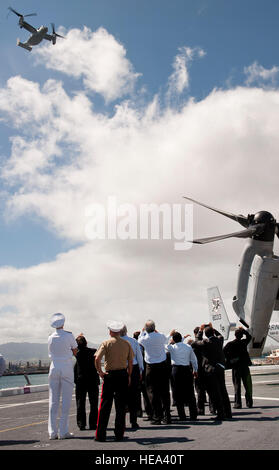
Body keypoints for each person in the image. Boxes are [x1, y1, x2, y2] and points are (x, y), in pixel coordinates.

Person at [94, 320, 134, 442]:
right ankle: (119, 434)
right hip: (122, 374)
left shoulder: (106, 343)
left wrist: (100, 372)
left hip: (110, 375)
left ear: (111, 331)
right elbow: (131, 362)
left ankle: (100, 435)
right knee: (120, 406)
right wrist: (129, 375)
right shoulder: (127, 344)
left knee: (105, 405)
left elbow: (97, 358)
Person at [48, 313, 78, 440]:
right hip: (66, 366)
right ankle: (63, 431)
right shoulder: (69, 335)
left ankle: (52, 432)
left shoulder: (50, 337)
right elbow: (75, 350)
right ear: (63, 324)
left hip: (53, 366)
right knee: (66, 399)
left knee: (53, 400)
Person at [194, 323, 232, 421]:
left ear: (206, 335)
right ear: (213, 332)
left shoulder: (206, 342)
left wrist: (200, 330)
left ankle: (221, 413)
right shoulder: (219, 340)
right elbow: (221, 336)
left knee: (215, 393)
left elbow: (196, 341)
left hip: (211, 370)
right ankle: (228, 412)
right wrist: (212, 329)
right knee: (223, 391)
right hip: (220, 367)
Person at [138, 320, 171, 425]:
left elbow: (139, 340)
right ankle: (167, 416)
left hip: (150, 367)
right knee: (165, 392)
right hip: (162, 365)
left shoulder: (144, 338)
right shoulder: (160, 336)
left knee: (152, 392)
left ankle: (157, 416)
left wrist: (142, 332)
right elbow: (166, 339)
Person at [167, 330, 198, 421]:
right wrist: (195, 370)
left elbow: (165, 344)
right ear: (181, 339)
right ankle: (193, 414)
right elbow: (194, 359)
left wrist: (170, 337)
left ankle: (182, 415)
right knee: (190, 392)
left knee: (177, 393)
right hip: (186, 369)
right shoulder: (188, 347)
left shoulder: (172, 347)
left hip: (176, 370)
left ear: (173, 340)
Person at [74, 334, 100, 431]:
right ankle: (93, 424)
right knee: (93, 403)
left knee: (80, 402)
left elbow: (71, 348)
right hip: (92, 379)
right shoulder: (93, 352)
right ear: (86, 343)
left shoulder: (77, 353)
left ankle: (81, 424)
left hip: (81, 380)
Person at [120, 325, 144, 429]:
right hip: (133, 368)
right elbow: (139, 356)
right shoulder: (134, 341)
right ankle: (133, 421)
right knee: (133, 396)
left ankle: (121, 422)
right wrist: (141, 370)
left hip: (120, 369)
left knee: (120, 397)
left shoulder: (115, 341)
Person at [223, 327, 253, 409]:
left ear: (235, 335)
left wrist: (230, 359)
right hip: (245, 366)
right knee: (247, 385)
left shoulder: (230, 344)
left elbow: (223, 352)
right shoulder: (244, 342)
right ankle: (249, 402)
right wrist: (244, 331)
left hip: (236, 367)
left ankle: (238, 403)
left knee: (237, 386)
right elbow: (249, 337)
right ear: (241, 335)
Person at [191, 327, 207, 415]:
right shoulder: (206, 342)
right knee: (210, 389)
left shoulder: (194, 344)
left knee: (199, 390)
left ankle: (201, 409)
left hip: (198, 369)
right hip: (206, 368)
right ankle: (213, 408)